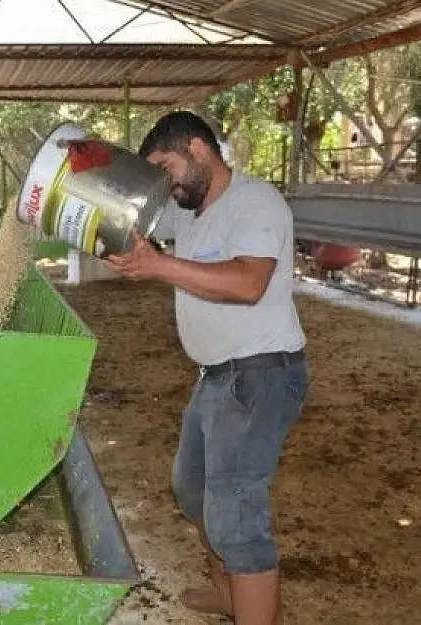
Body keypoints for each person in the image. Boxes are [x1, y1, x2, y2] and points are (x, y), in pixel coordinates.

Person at [104, 111, 309, 625]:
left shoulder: (255, 201)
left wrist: (158, 266)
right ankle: (228, 592)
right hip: (217, 377)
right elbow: (127, 221)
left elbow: (248, 284)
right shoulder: (187, 210)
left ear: (199, 148)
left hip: (260, 375)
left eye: (166, 167)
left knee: (236, 512)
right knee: (192, 488)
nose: (164, 183)